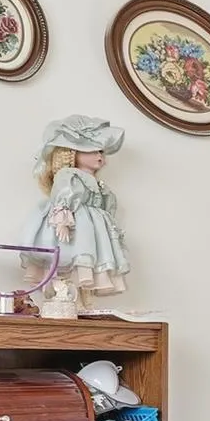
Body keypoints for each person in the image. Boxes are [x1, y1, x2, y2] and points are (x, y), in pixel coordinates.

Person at [22, 115, 128, 305]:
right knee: (74, 257)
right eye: (93, 150)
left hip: (92, 229)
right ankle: (67, 297)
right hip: (76, 226)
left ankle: (83, 301)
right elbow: (63, 196)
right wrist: (62, 221)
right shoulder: (69, 175)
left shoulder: (95, 182)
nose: (100, 156)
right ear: (73, 152)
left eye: (101, 152)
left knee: (90, 263)